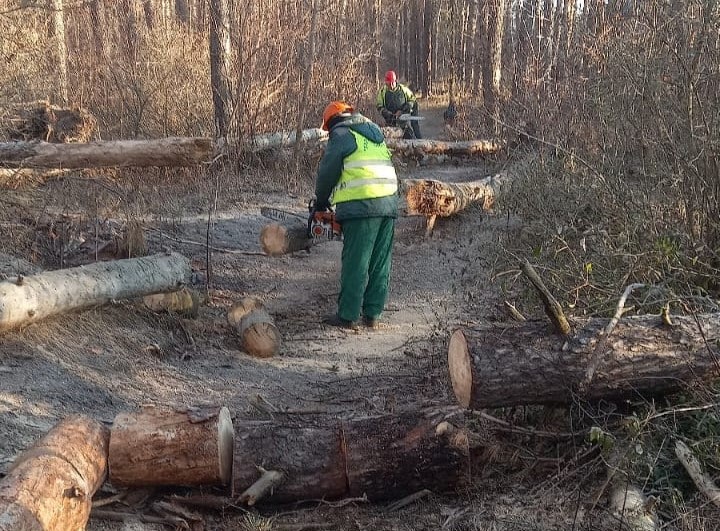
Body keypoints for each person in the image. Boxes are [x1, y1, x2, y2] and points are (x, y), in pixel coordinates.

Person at [313, 101, 398, 330]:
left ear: (331, 122)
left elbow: (328, 171)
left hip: (363, 202)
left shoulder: (341, 134)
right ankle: (372, 314)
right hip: (389, 201)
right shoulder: (373, 131)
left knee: (356, 262)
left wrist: (320, 202)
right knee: (380, 262)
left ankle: (348, 315)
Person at [376, 70, 422, 139]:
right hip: (391, 118)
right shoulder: (382, 92)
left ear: (395, 81)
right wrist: (386, 113)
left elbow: (412, 99)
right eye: (389, 84)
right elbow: (379, 105)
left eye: (392, 83)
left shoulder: (403, 89)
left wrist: (404, 109)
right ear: (386, 83)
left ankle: (419, 140)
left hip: (404, 114)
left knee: (413, 126)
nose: (391, 86)